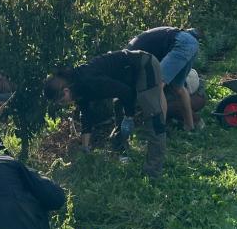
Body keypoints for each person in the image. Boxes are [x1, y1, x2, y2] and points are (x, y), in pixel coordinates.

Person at [43, 49, 167, 178]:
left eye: (63, 101)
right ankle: (122, 153)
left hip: (144, 65)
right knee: (119, 109)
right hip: (126, 77)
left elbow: (125, 92)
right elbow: (86, 117)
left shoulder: (89, 80)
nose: (65, 103)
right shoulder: (78, 88)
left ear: (66, 91)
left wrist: (129, 116)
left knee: (154, 118)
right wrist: (85, 148)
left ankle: (153, 172)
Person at [126, 26, 203, 132]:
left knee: (157, 85)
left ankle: (160, 130)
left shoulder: (127, 58)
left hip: (181, 43)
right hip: (190, 42)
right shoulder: (136, 46)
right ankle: (190, 126)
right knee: (178, 87)